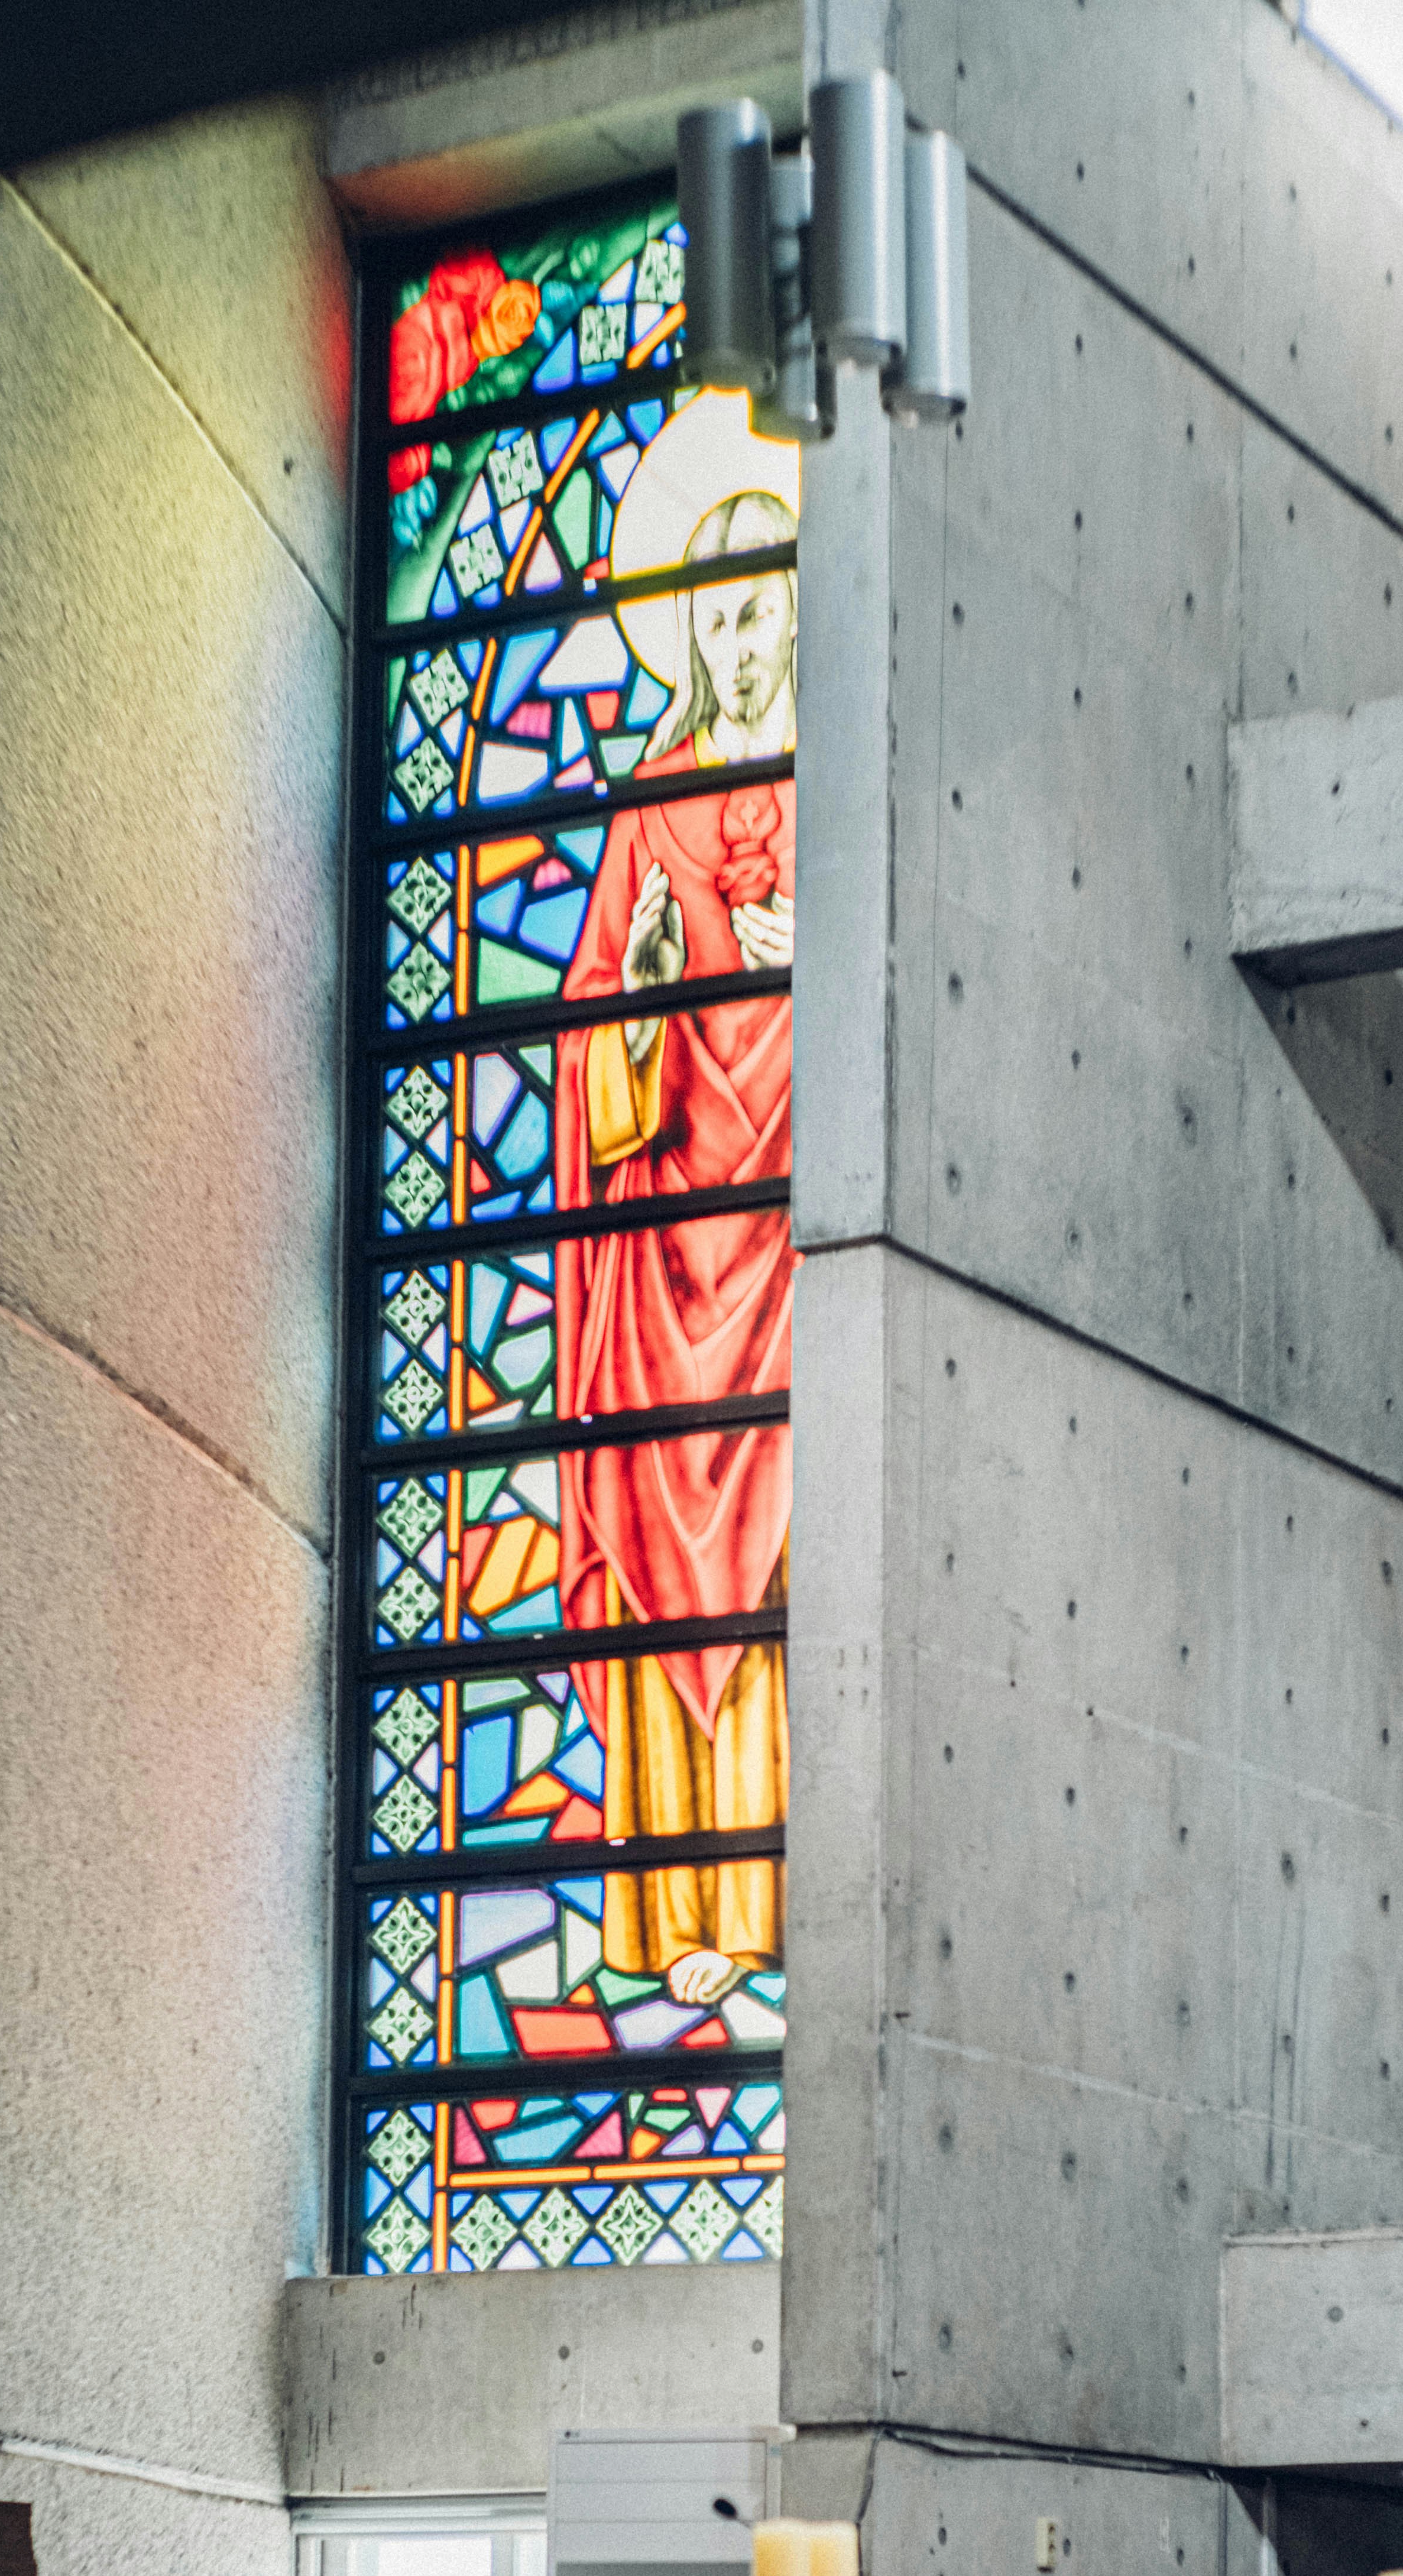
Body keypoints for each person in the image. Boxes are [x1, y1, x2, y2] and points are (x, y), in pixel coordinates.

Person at [550, 490, 796, 2010]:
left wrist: (807, 969)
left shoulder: (827, 792)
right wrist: (639, 995)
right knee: (658, 1560)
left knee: (775, 1548)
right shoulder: (648, 804)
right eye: (720, 613)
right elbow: (586, 1043)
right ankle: (662, 1920)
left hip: (784, 1255)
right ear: (691, 636)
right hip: (658, 1262)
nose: (745, 633)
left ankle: (769, 1904)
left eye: (766, 605)